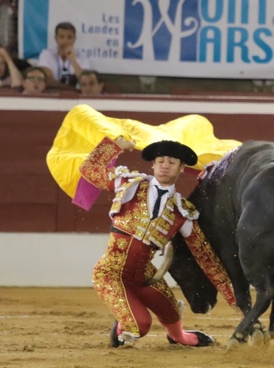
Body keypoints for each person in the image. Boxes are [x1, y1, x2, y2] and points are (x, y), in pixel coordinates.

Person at [80, 136, 232, 348]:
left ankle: (179, 337)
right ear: (153, 165)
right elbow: (89, 169)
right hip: (110, 273)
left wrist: (234, 298)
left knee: (171, 312)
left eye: (171, 162)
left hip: (144, 275)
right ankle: (124, 321)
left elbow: (205, 256)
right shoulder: (129, 184)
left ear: (181, 169)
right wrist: (114, 147)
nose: (165, 166)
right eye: (161, 161)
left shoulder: (182, 211)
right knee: (139, 326)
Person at [37, 21, 93, 87]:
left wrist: (73, 60)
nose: (65, 41)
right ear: (56, 38)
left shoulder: (82, 58)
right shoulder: (46, 54)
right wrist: (69, 89)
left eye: (69, 37)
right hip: (52, 94)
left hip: (76, 95)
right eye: (61, 37)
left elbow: (86, 81)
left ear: (74, 39)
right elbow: (47, 79)